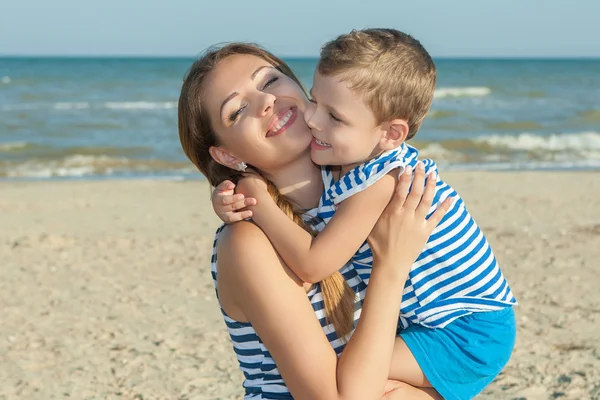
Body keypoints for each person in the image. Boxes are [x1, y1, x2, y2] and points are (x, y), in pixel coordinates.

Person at [215, 29, 517, 400]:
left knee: (358, 382)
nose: (312, 119)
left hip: (465, 330)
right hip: (443, 324)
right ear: (226, 155)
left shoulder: (380, 180)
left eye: (334, 116)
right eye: (315, 102)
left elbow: (313, 264)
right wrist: (232, 194)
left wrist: (257, 199)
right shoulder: (342, 167)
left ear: (390, 134)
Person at [178, 42, 450, 399]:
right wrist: (391, 266)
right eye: (238, 110)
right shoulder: (249, 242)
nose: (265, 102)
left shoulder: (358, 198)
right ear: (227, 154)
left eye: (270, 81)